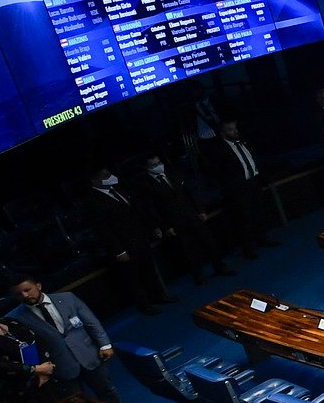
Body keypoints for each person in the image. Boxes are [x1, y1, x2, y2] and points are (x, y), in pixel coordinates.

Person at [7, 275, 119, 403]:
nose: (25, 295)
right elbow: (26, 346)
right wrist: (37, 370)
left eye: (27, 289)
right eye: (19, 294)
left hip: (88, 355)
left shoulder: (67, 298)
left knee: (107, 392)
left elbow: (91, 322)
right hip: (59, 366)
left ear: (38, 286)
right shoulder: (15, 317)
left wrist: (105, 345)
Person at [83, 166, 173, 314]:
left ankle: (158, 296)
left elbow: (136, 212)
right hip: (123, 245)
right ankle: (145, 305)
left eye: (110, 173)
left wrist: (152, 227)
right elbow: (103, 230)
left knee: (149, 270)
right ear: (95, 181)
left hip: (140, 238)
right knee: (134, 277)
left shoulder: (119, 190)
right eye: (106, 176)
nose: (111, 177)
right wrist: (118, 251)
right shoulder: (94, 202)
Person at [132, 153, 233, 284]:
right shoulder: (144, 184)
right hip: (174, 221)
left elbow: (189, 191)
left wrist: (200, 210)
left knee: (209, 241)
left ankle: (219, 267)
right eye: (154, 165)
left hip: (191, 214)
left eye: (158, 163)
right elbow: (151, 209)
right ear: (147, 168)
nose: (158, 166)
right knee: (188, 251)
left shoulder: (172, 172)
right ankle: (198, 276)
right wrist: (165, 227)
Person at [206, 118, 277, 257]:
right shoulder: (219, 150)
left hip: (253, 182)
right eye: (230, 129)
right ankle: (249, 249)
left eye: (235, 128)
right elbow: (218, 171)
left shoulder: (243, 141)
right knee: (244, 218)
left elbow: (253, 159)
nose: (235, 131)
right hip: (238, 188)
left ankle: (263, 238)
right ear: (222, 132)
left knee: (259, 212)